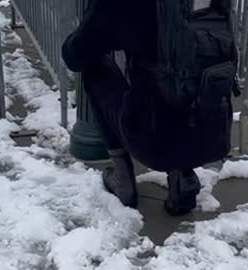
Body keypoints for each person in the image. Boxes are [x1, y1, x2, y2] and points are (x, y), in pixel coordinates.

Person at [62, 0, 236, 215]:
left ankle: (122, 179)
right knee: (179, 75)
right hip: (214, 134)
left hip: (153, 141)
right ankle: (181, 177)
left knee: (95, 68)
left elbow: (75, 56)